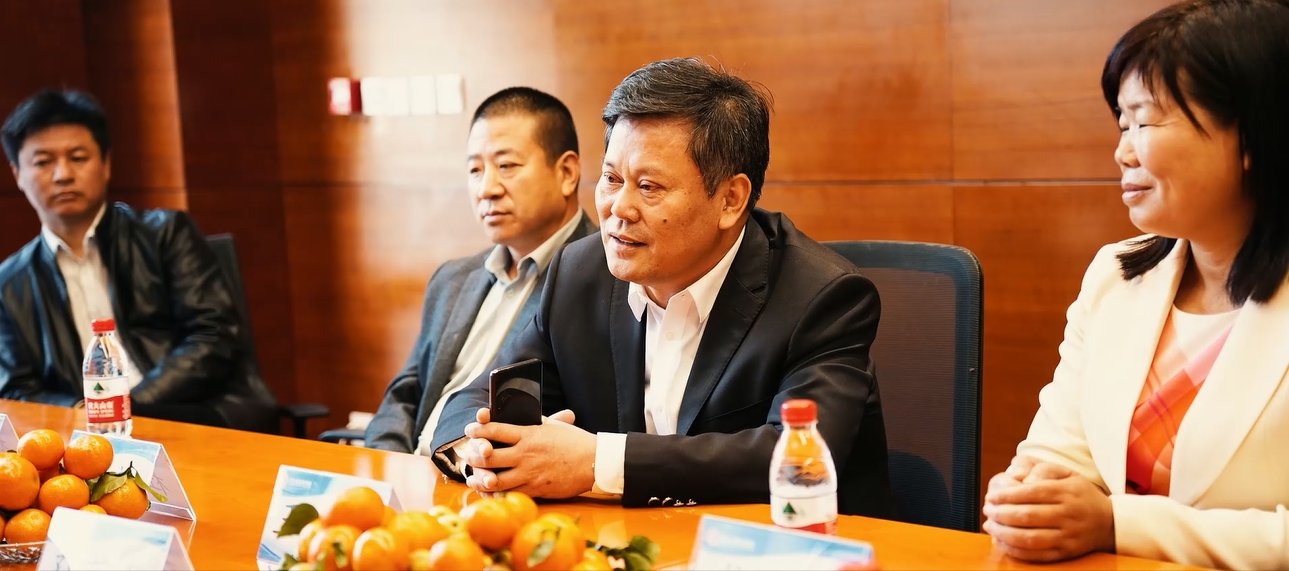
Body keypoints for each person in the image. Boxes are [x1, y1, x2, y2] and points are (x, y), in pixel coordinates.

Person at [430, 57, 895, 517]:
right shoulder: (580, 272)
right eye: (611, 179)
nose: (618, 208)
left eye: (649, 187)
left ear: (730, 199)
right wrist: (482, 452)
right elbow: (477, 399)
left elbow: (795, 458)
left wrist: (597, 463)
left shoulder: (821, 297)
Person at [982, 1, 1289, 569]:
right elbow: (1057, 454)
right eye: (1122, 125)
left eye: (1145, 123)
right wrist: (1027, 498)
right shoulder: (1116, 275)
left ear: (1252, 135)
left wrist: (1116, 524)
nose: (1122, 152)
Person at [0, 89, 277, 432]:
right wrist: (86, 412)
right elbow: (17, 390)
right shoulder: (8, 284)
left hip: (192, 413)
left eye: (78, 157)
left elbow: (213, 337)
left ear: (106, 164)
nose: (63, 175)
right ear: (17, 174)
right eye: (43, 162)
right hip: (86, 434)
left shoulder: (166, 233)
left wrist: (128, 406)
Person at [364, 87, 596, 453]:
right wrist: (389, 466)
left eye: (506, 166)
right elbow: (405, 396)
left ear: (566, 173)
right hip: (415, 472)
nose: (486, 188)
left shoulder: (605, 280)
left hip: (495, 476)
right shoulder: (452, 279)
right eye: (475, 169)